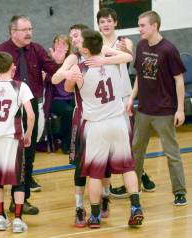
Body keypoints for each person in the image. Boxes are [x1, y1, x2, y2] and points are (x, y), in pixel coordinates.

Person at [52, 24, 133, 227]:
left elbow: (126, 57)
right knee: (81, 166)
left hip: (100, 116)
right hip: (83, 118)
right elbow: (56, 78)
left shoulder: (102, 52)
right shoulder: (73, 59)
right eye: (72, 36)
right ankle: (80, 207)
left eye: (78, 36)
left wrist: (106, 59)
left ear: (86, 42)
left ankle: (104, 197)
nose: (75, 39)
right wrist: (66, 73)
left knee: (103, 165)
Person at [0, 15, 65, 214]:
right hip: (6, 112)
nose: (29, 32)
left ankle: (20, 200)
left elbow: (53, 72)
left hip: (30, 109)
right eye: (24, 29)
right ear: (13, 32)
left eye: (31, 28)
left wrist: (60, 62)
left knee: (27, 157)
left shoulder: (36, 49)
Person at [127, 11, 187, 205]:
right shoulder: (142, 45)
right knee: (136, 151)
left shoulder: (169, 49)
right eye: (139, 25)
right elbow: (139, 76)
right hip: (143, 109)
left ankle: (179, 192)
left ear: (154, 26)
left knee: (172, 153)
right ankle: (133, 189)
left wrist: (180, 109)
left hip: (164, 110)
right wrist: (131, 99)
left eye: (143, 25)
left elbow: (179, 81)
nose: (139, 29)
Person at [96, 7, 156, 198]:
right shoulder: (95, 44)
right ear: (98, 25)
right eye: (102, 21)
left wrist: (122, 53)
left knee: (128, 142)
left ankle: (140, 175)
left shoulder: (125, 42)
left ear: (115, 23)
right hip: (103, 100)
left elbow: (128, 59)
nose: (105, 24)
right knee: (108, 144)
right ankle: (109, 186)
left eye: (109, 20)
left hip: (122, 97)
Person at [0, 52, 35, 233]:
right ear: (13, 65)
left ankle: (0, 217)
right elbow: (32, 115)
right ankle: (18, 220)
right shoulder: (20, 86)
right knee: (18, 179)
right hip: (13, 138)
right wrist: (28, 134)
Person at [49, 34, 74, 154]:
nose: (60, 46)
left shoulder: (73, 60)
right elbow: (47, 79)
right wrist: (56, 63)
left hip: (72, 96)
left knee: (79, 109)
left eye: (64, 44)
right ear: (53, 45)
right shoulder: (48, 61)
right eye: (58, 43)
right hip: (55, 99)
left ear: (68, 47)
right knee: (68, 111)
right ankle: (66, 144)